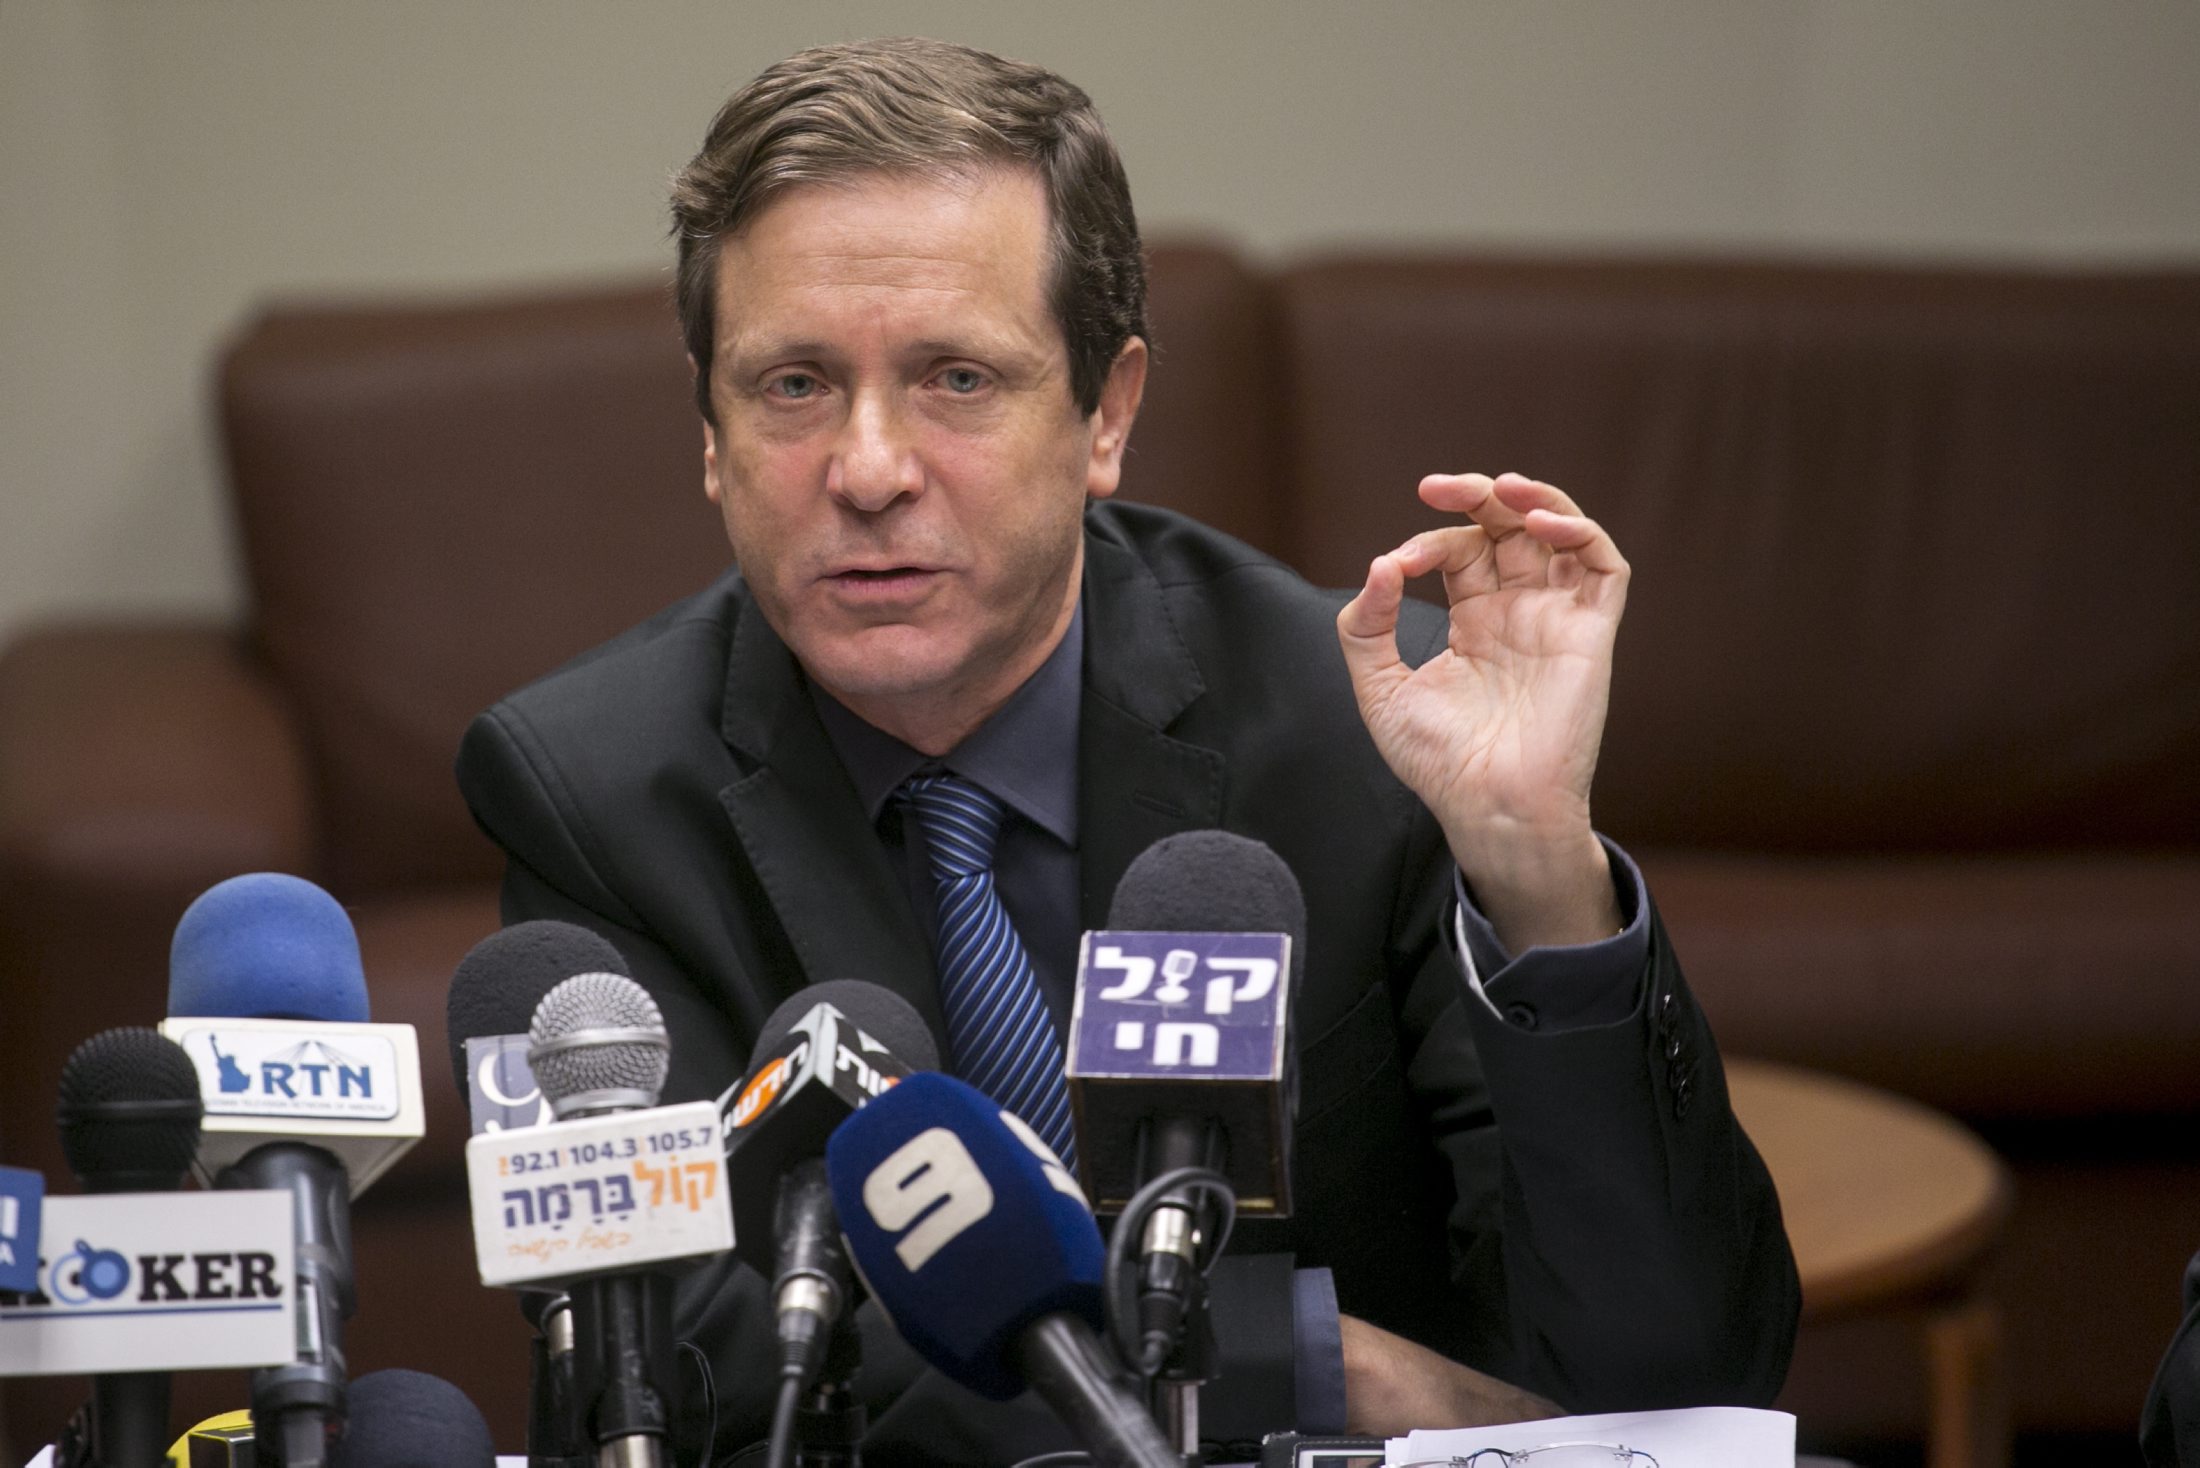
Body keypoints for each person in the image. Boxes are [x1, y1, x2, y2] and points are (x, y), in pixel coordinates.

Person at [457, 36, 1798, 1466]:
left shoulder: (1361, 728)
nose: (868, 470)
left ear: (1107, 413)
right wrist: (1304, 1362)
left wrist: (1537, 872)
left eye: (955, 377)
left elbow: (1683, 1379)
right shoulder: (589, 794)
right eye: (792, 384)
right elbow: (677, 1372)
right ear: (711, 432)